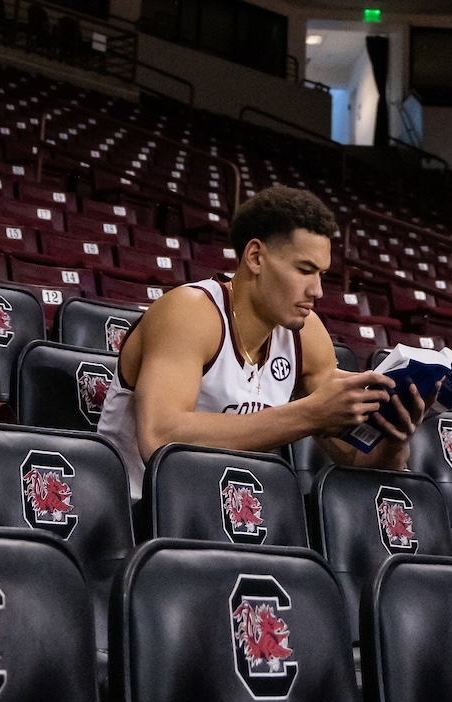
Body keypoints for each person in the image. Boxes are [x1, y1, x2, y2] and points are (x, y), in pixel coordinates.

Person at [97, 185, 434, 500]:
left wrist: (394, 438)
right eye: (304, 270)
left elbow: (357, 462)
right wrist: (308, 415)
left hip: (234, 517)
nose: (317, 291)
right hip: (137, 515)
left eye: (322, 275)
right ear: (256, 257)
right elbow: (159, 437)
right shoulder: (189, 312)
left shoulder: (307, 334)